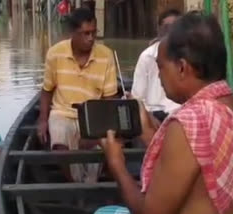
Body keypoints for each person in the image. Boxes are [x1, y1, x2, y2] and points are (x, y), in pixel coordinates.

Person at [97, 12, 233, 214]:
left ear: (181, 68)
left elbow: (150, 211)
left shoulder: (189, 122)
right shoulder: (226, 104)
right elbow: (194, 159)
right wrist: (149, 128)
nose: (159, 76)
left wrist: (116, 164)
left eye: (160, 67)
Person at [38, 8, 117, 183]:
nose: (90, 38)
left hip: (93, 114)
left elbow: (109, 100)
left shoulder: (106, 55)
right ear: (72, 33)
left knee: (104, 146)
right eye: (85, 33)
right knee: (59, 145)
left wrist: (96, 134)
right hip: (62, 113)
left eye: (93, 33)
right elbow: (47, 90)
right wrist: (43, 120)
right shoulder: (55, 53)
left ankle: (89, 184)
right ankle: (76, 183)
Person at [131, 9, 181, 122]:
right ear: (159, 29)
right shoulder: (147, 56)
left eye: (175, 27)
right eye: (166, 27)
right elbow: (138, 97)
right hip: (153, 114)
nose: (170, 32)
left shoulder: (187, 57)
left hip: (179, 114)